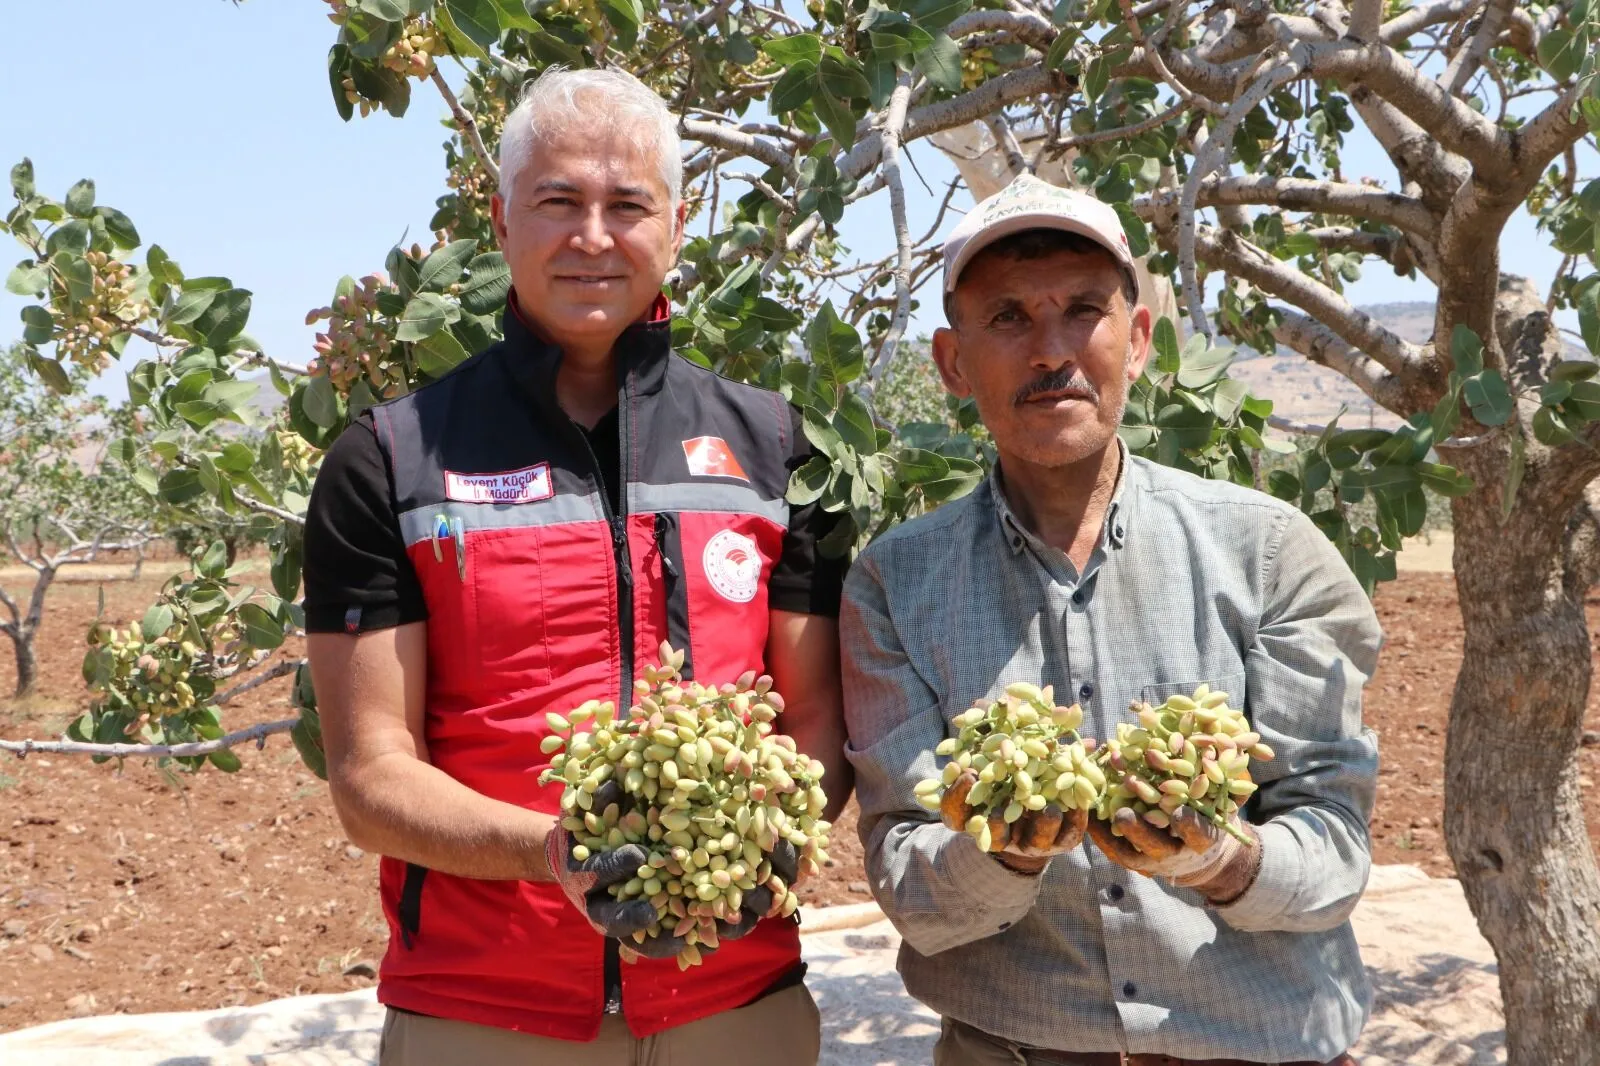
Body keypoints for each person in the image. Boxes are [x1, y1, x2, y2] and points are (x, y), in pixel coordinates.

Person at [302, 66, 850, 1065]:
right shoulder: (390, 457)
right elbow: (370, 774)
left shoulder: (775, 449)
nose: (592, 236)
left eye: (626, 205)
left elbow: (812, 715)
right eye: (557, 202)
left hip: (737, 1005)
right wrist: (556, 854)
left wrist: (764, 843)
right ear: (502, 220)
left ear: (676, 227)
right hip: (482, 1015)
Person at [840, 173, 1380, 1066]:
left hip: (1259, 1045)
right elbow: (909, 882)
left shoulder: (1270, 551)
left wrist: (1221, 859)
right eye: (1008, 317)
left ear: (1136, 342)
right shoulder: (895, 584)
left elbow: (1334, 842)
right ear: (951, 363)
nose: (1051, 349)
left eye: (1083, 311)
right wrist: (1006, 855)